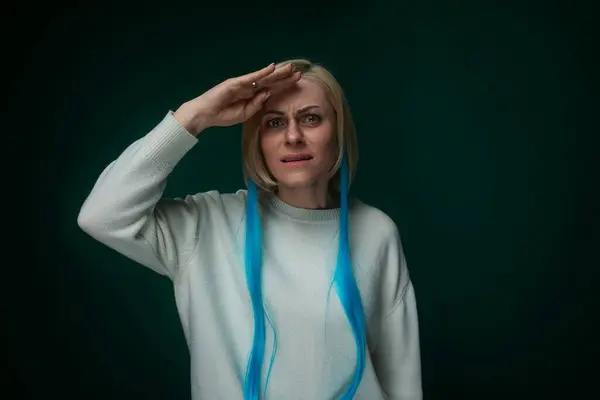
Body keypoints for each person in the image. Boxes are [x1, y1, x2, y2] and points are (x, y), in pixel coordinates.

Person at [77, 59, 423, 400]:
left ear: (338, 130)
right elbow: (102, 215)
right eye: (274, 122)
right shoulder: (206, 226)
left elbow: (401, 377)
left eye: (311, 118)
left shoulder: (376, 232)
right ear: (257, 140)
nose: (292, 136)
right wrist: (193, 116)